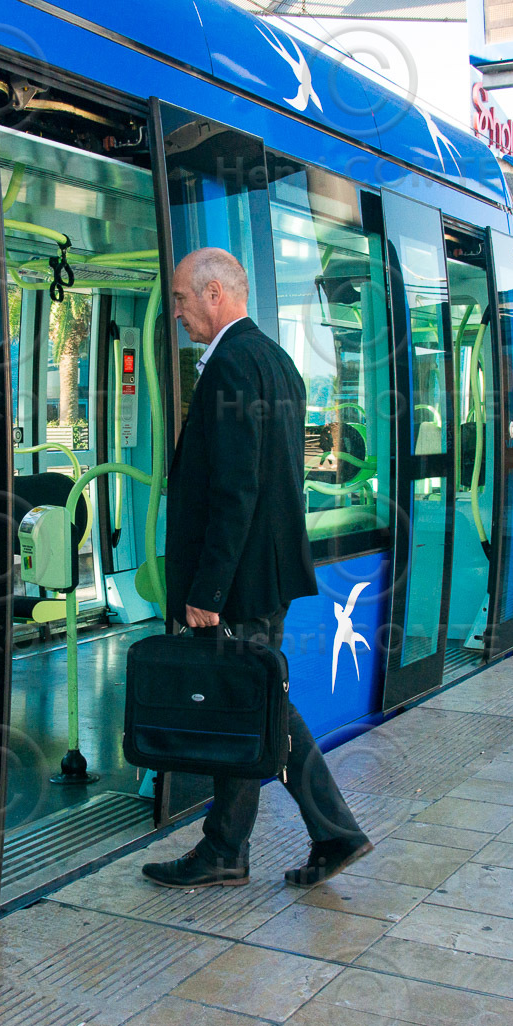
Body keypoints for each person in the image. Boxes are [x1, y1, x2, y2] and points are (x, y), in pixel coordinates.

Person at [141, 248, 372, 890]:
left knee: (258, 705)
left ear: (214, 293)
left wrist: (208, 589)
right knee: (253, 704)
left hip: (239, 583)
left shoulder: (231, 366)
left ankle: (290, 838)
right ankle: (240, 846)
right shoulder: (277, 361)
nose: (177, 313)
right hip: (265, 574)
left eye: (182, 299)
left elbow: (236, 490)